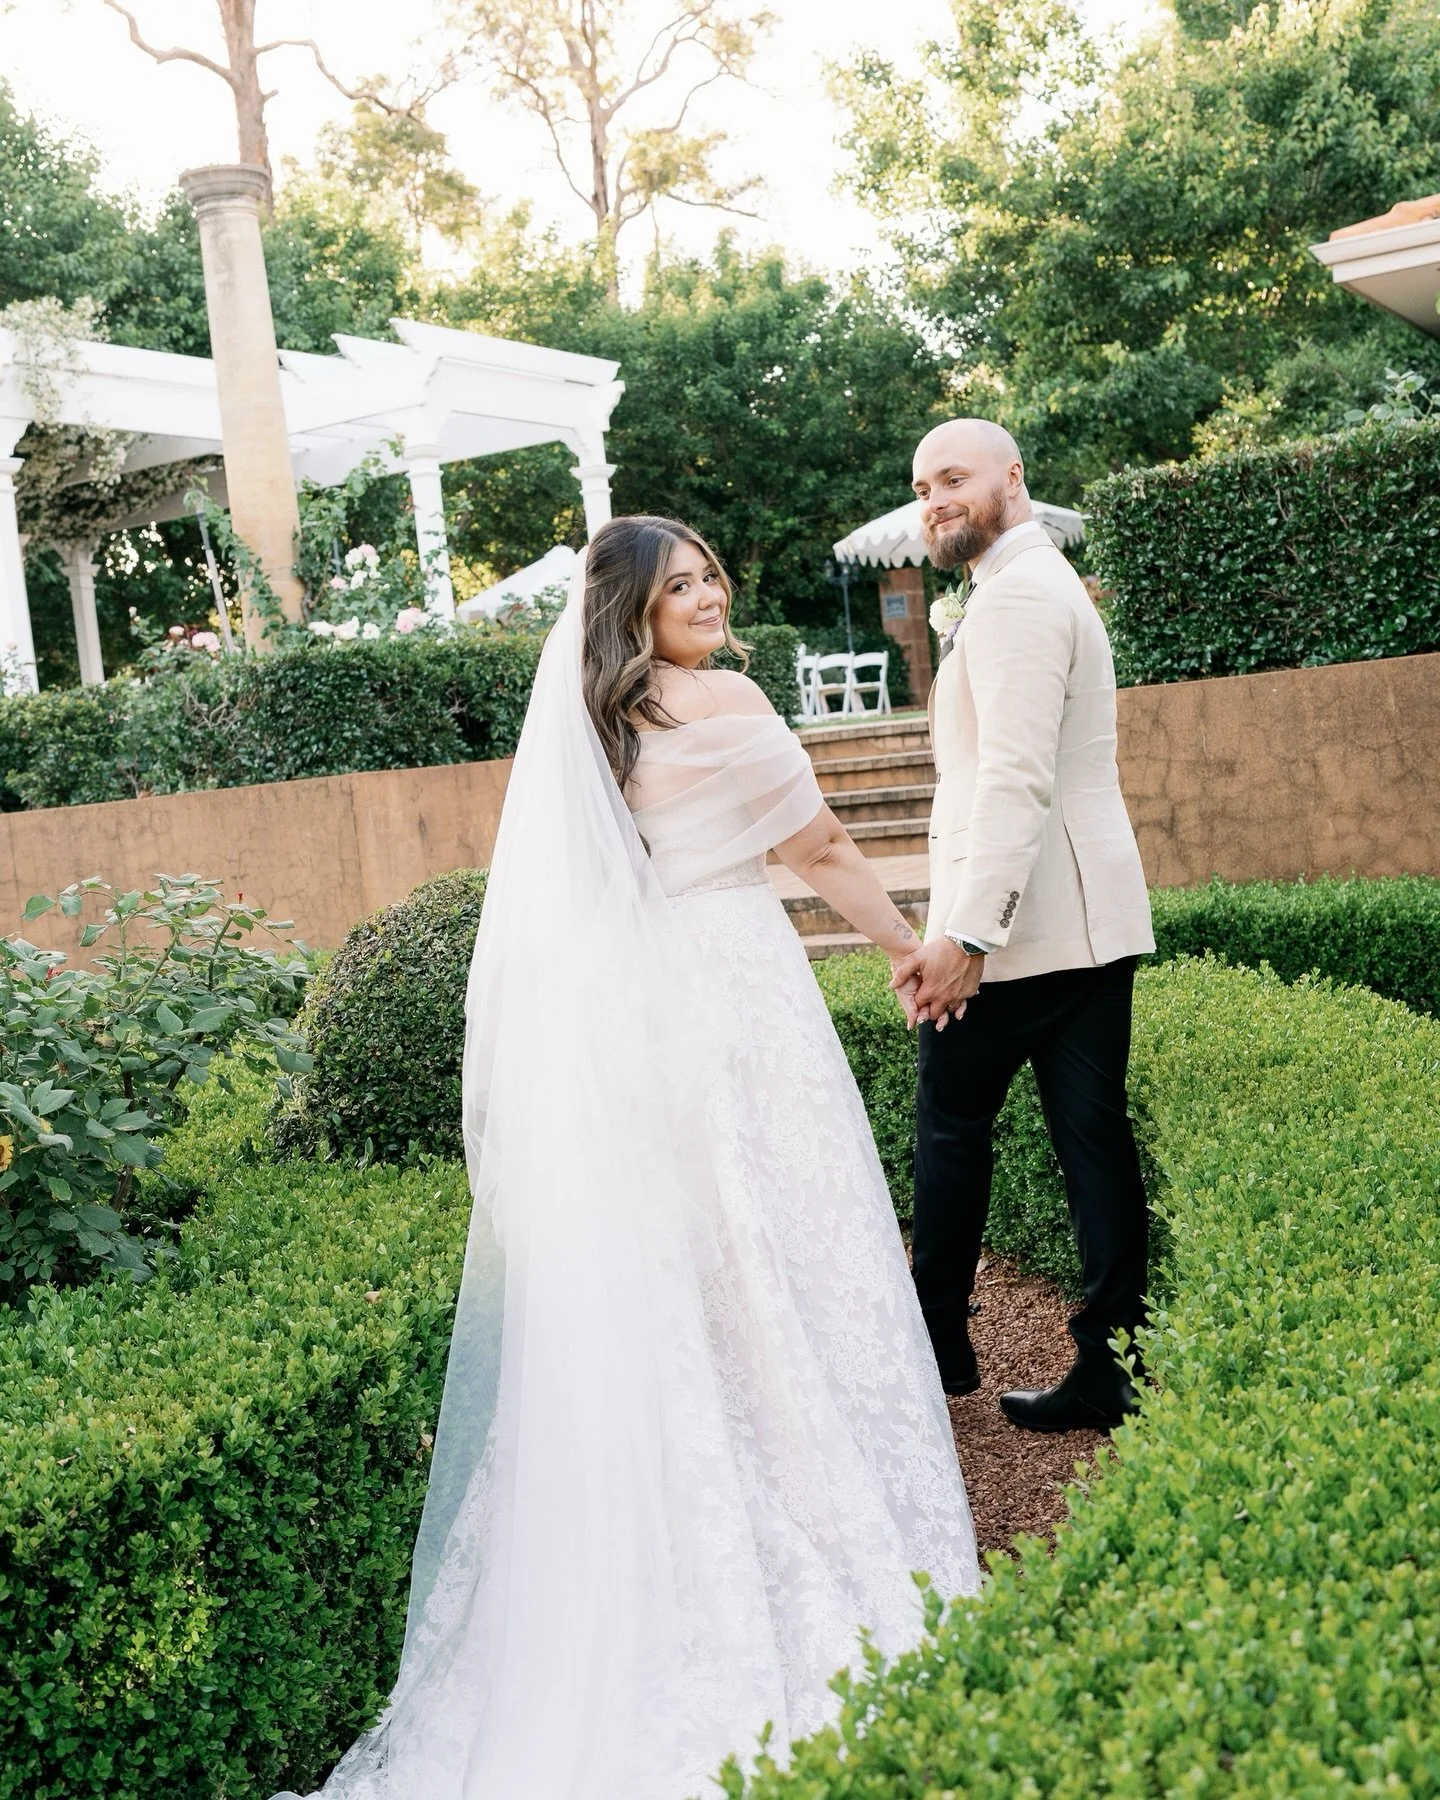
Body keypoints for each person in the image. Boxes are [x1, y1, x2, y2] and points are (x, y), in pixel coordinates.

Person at [276, 515, 978, 1800]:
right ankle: (801, 1484)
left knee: (705, 1255)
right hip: (736, 997)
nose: (708, 595)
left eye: (712, 574)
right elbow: (815, 847)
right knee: (779, 1239)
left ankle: (717, 1467)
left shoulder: (598, 729)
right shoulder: (722, 702)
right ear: (634, 612)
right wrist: (905, 943)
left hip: (648, 1015)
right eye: (681, 586)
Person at [890, 420, 1156, 1434]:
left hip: (1024, 935)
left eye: (953, 477)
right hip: (1089, 927)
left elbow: (1011, 779)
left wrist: (966, 935)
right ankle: (1109, 1365)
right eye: (925, 487)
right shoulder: (1036, 588)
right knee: (1093, 1143)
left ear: (1014, 476)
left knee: (951, 1130)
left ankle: (936, 1347)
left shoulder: (1015, 600)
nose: (936, 499)